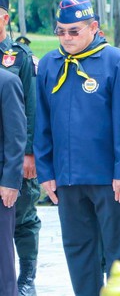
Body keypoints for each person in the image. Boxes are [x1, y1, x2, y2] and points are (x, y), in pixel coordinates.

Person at [34, 0, 120, 296]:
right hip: (67, 177)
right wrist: (46, 172)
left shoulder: (115, 61)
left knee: (116, 251)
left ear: (94, 27)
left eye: (74, 31)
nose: (66, 38)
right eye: (61, 31)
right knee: (78, 250)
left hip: (108, 178)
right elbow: (42, 123)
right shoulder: (50, 63)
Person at [0, 0, 40, 295]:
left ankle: (25, 278)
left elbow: (31, 108)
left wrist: (29, 153)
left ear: (4, 18)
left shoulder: (19, 57)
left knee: (23, 215)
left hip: (16, 154)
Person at [0, 68, 27, 296]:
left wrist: (10, 181)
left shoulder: (7, 81)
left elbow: (17, 135)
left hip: (1, 182)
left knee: (2, 255)